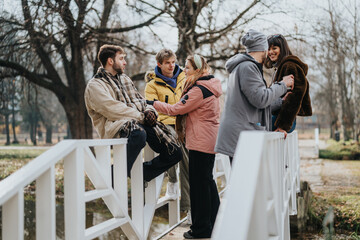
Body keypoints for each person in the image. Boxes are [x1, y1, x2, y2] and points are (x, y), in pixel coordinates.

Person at [147, 54, 221, 239]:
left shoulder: (199, 89)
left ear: (196, 69)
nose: (184, 71)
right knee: (207, 181)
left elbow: (176, 109)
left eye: (187, 68)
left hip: (200, 140)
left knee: (199, 185)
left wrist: (152, 104)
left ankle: (201, 229)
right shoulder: (208, 84)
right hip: (207, 138)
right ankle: (215, 223)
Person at [84, 44, 182, 182]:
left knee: (175, 152)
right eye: (122, 58)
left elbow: (141, 101)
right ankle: (113, 178)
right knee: (139, 134)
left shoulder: (125, 79)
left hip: (138, 122)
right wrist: (142, 116)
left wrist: (150, 111)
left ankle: (141, 175)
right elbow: (113, 109)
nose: (125, 62)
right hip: (116, 127)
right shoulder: (95, 85)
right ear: (111, 61)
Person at [215, 29, 294, 163]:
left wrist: (280, 102)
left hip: (242, 134)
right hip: (241, 135)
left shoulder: (246, 67)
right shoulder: (248, 68)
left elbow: (252, 102)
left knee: (247, 181)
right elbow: (260, 99)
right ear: (262, 48)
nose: (268, 53)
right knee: (245, 181)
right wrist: (282, 85)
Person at [144, 49, 191, 221]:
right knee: (173, 148)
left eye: (173, 62)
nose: (172, 66)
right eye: (167, 63)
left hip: (184, 124)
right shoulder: (152, 85)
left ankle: (188, 209)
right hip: (164, 124)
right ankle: (172, 179)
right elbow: (151, 108)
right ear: (159, 64)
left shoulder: (184, 79)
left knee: (188, 163)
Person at [264, 34, 312, 137]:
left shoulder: (290, 66)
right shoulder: (279, 67)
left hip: (282, 121)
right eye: (268, 49)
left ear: (282, 49)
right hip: (276, 118)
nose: (270, 52)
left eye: (274, 48)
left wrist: (283, 126)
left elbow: (295, 96)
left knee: (251, 127)